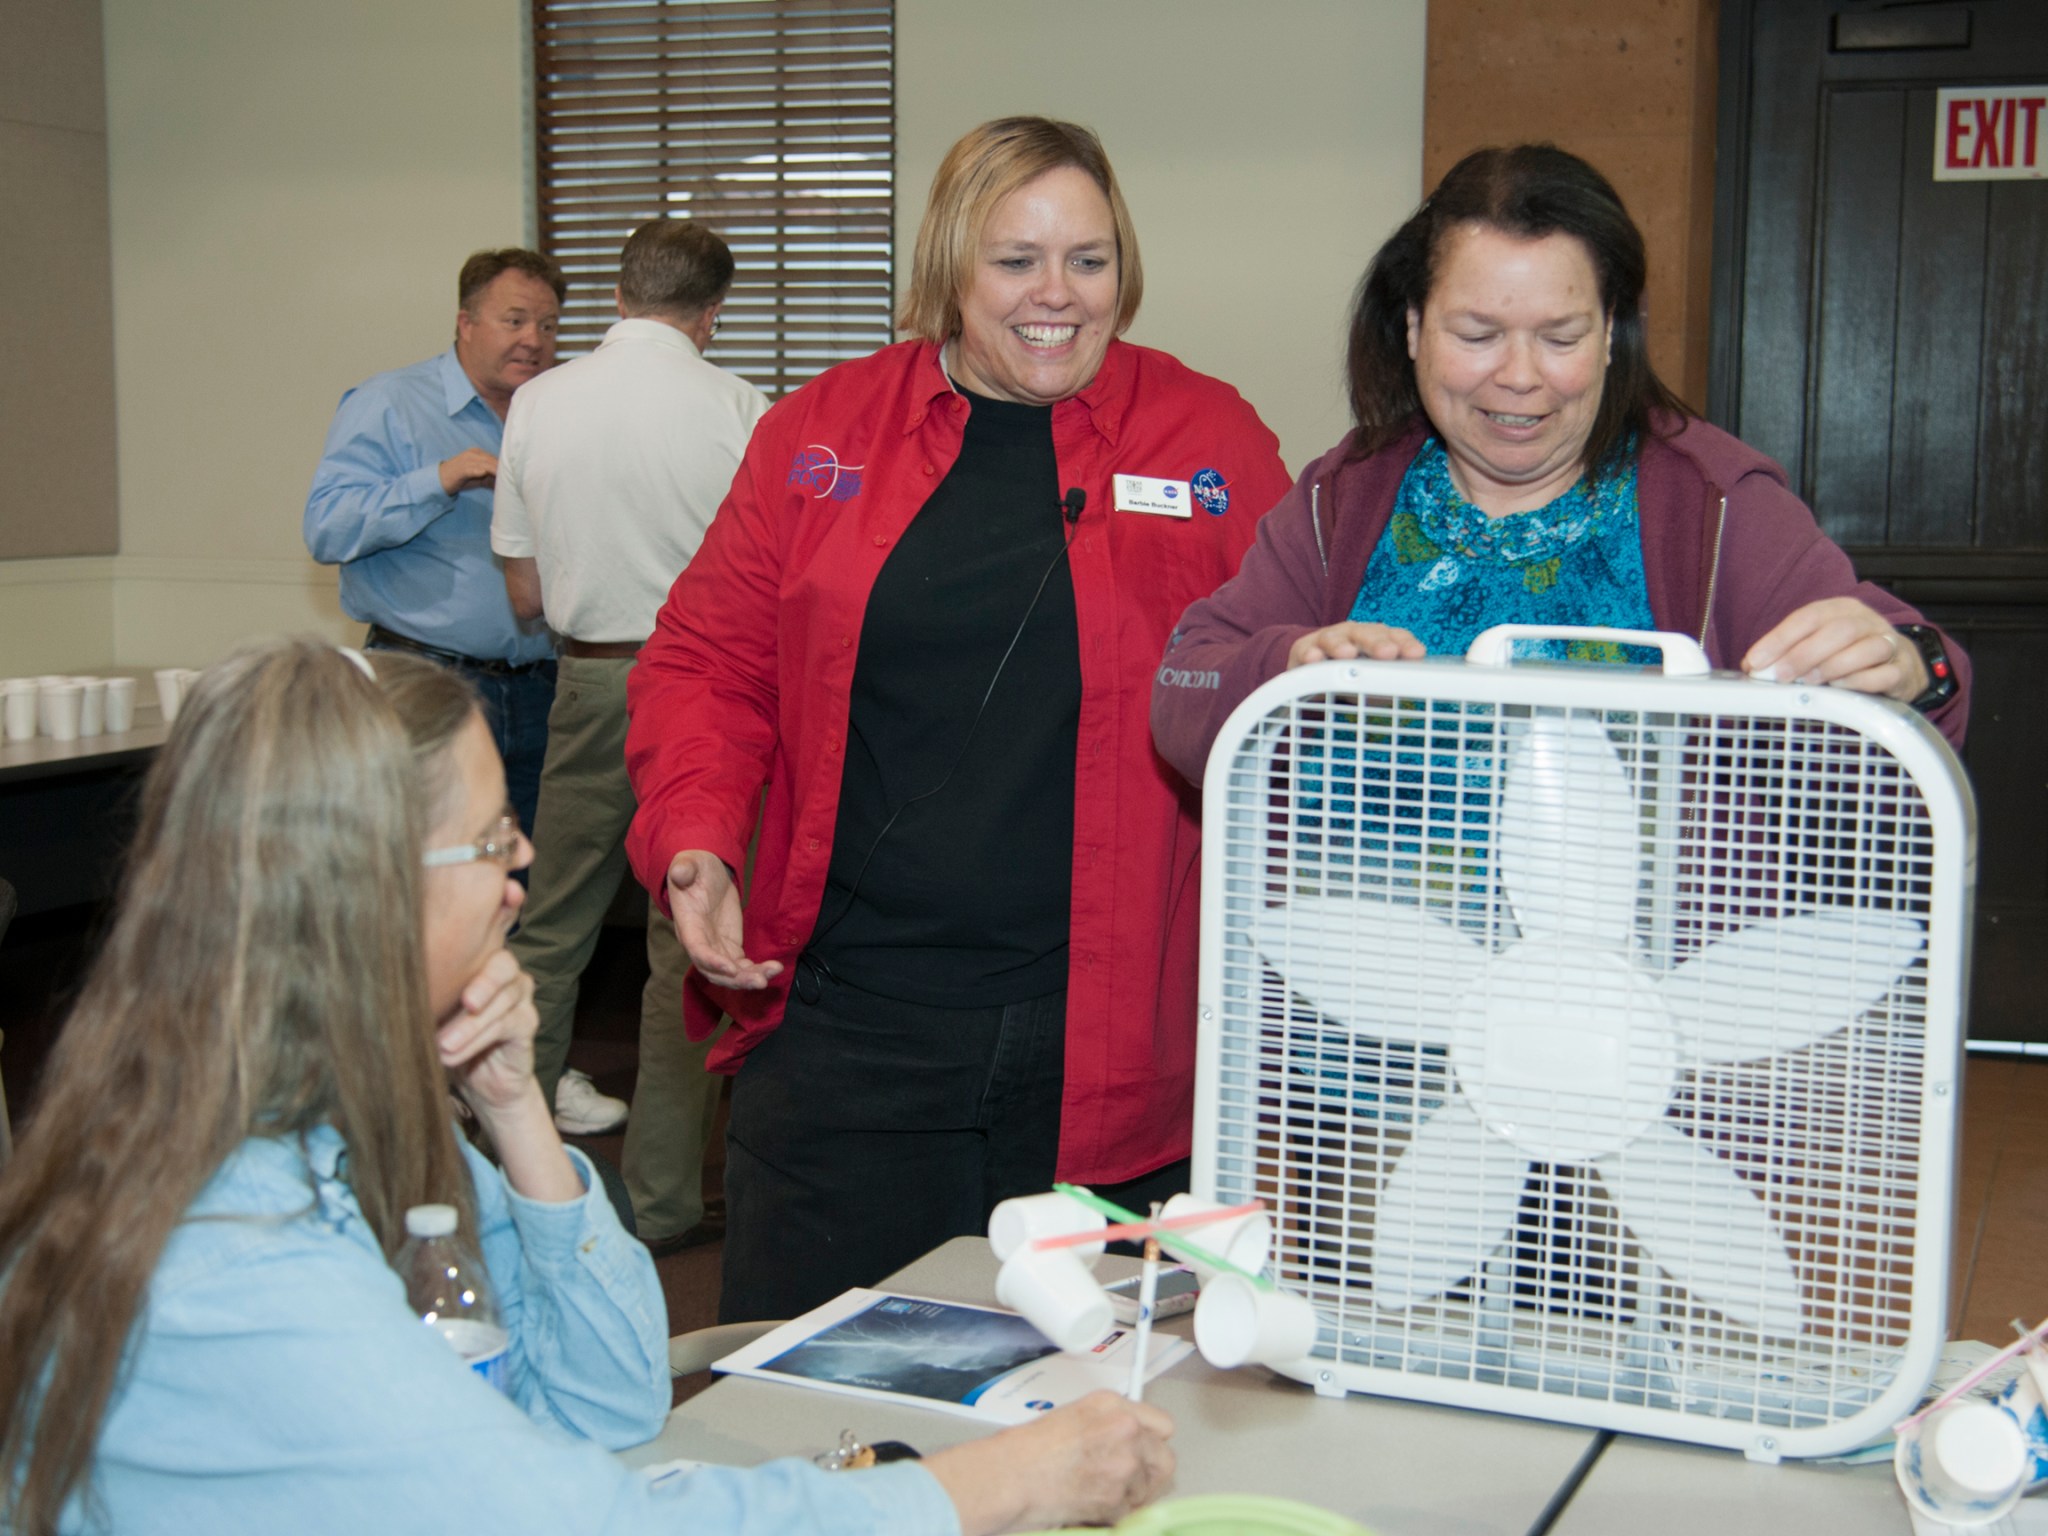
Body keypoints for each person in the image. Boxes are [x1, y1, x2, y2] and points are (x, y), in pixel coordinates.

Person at [0, 637, 1175, 1536]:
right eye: (490, 843)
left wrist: (516, 1115)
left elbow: (608, 1406)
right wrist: (1005, 1483)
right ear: (364, 890)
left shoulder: (331, 1119)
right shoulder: (235, 1260)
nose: (520, 875)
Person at [625, 116, 1294, 1322]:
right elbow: (708, 663)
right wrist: (694, 838)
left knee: (1098, 1435)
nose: (1056, 296)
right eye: (1014, 260)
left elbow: (1288, 701)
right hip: (847, 1039)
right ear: (947, 266)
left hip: (1115, 1054)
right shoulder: (817, 435)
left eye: (1087, 261)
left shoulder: (1208, 441)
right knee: (823, 1414)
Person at [1151, 143, 1969, 788]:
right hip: (1357, 986)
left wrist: (1905, 666)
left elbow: (1931, 673)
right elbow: (1185, 690)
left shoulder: (1714, 503)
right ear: (1411, 328)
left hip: (1643, 997)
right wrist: (1287, 669)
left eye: (1561, 337)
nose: (1518, 376)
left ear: (1613, 332)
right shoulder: (1347, 497)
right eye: (1476, 335)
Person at [490, 218, 768, 1233]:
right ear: (711, 312)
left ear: (615, 296)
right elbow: (769, 584)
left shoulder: (538, 403)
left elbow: (522, 587)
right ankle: (661, 1201)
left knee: (547, 928)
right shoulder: (741, 408)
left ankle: (511, 1174)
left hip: (589, 683)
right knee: (686, 943)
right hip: (714, 699)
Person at [304, 247, 565, 839]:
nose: (534, 339)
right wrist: (437, 480)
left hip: (543, 692)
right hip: (427, 682)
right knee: (417, 872)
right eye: (515, 319)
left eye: (548, 325)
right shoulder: (389, 404)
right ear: (465, 322)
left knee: (523, 886)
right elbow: (326, 526)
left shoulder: (557, 412)